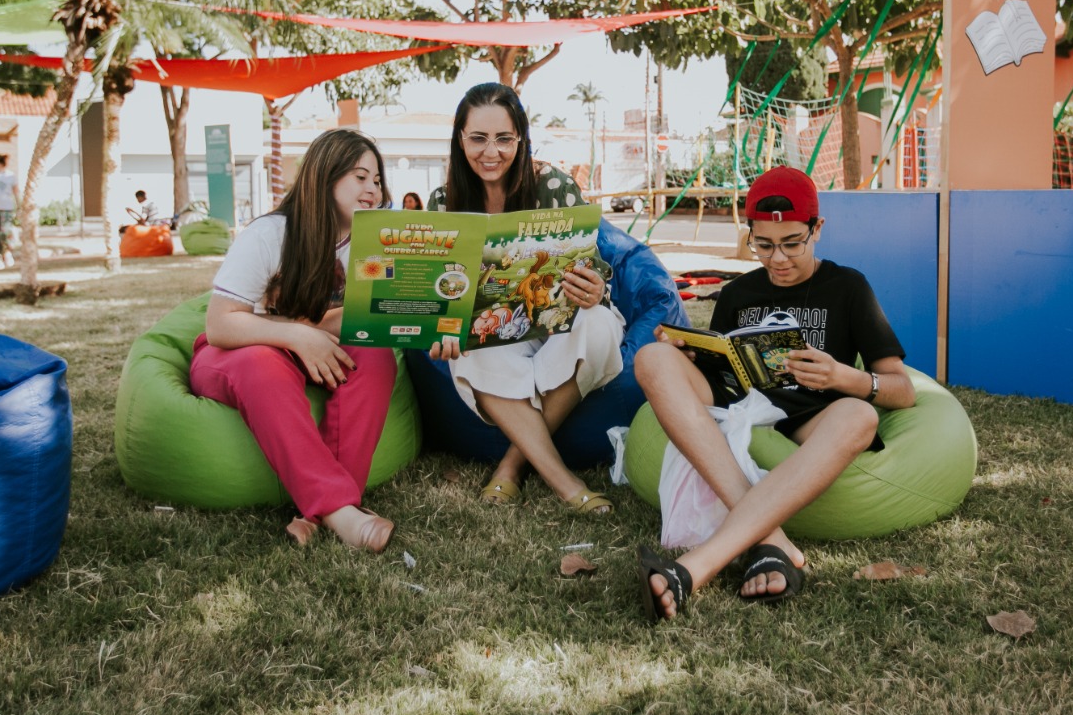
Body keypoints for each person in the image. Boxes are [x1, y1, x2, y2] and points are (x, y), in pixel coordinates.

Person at [633, 165, 915, 622]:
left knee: (860, 418)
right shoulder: (740, 292)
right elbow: (716, 365)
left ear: (817, 229)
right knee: (651, 358)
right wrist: (687, 352)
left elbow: (902, 389)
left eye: (791, 244)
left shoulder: (848, 287)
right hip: (741, 400)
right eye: (763, 245)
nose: (778, 259)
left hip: (812, 414)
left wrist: (844, 377)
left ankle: (694, 568)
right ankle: (772, 539)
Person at [189, 129, 399, 553]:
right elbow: (220, 326)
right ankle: (342, 512)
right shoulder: (271, 233)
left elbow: (362, 319)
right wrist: (297, 335)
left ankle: (319, 514)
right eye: (361, 176)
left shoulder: (371, 246)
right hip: (239, 351)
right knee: (261, 367)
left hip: (308, 349)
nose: (373, 189)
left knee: (375, 358)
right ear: (325, 175)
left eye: (377, 180)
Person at [426, 82, 621, 515]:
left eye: (504, 138)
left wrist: (595, 287)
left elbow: (595, 266)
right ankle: (567, 484)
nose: (490, 151)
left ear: (521, 139)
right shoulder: (443, 203)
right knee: (467, 350)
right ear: (460, 139)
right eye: (478, 138)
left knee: (602, 324)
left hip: (559, 324)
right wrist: (442, 328)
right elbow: (439, 295)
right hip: (496, 334)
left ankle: (511, 466)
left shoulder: (552, 185)